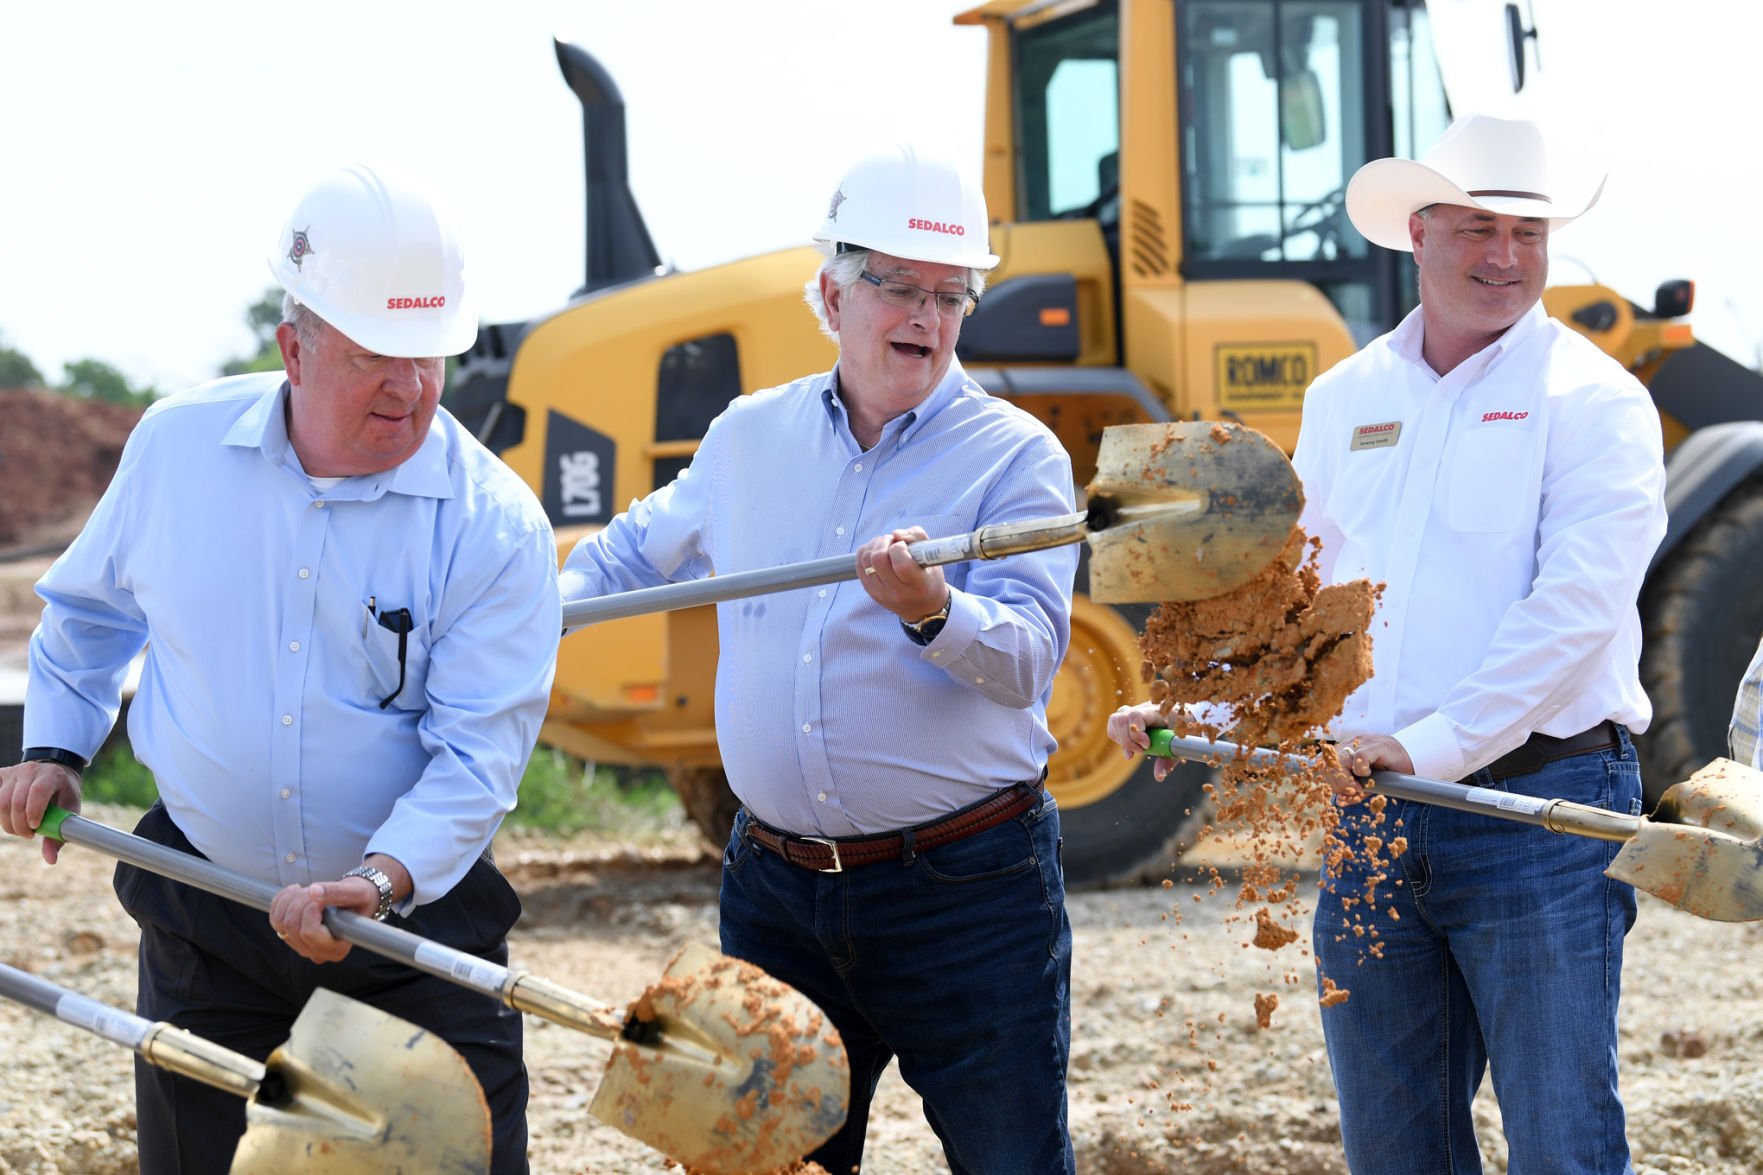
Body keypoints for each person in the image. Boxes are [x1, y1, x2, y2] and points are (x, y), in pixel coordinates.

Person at [1109, 113, 1667, 1174]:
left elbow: (1577, 606)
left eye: (1526, 232)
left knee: (1560, 1142)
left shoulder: (1594, 401)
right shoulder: (1343, 397)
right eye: (1475, 227)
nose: (1503, 256)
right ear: (1417, 229)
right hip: (1372, 815)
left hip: (1539, 815)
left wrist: (1432, 741)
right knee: (1394, 1148)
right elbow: (1303, 602)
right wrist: (1204, 710)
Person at [0, 164, 558, 1175]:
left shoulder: (493, 522)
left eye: (427, 355)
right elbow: (87, 613)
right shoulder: (175, 452)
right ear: (292, 347)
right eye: (372, 354)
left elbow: (477, 751)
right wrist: (55, 743)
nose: (408, 385)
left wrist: (380, 881)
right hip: (206, 911)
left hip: (407, 932)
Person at [560, 144, 1078, 1175]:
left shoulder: (1018, 454)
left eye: (948, 292)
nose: (923, 315)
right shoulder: (748, 436)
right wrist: (535, 617)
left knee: (1010, 1157)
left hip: (965, 892)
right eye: (895, 285)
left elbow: (1027, 662)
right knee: (747, 1164)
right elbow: (628, 551)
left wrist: (933, 609)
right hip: (774, 888)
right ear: (831, 293)